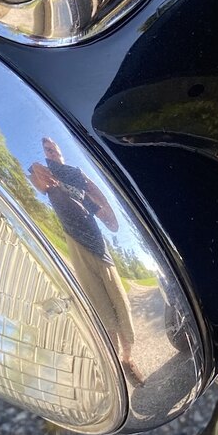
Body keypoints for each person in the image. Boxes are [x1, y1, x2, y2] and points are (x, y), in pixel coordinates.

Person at [28, 139, 138, 377]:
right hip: (75, 245)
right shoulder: (44, 175)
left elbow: (106, 215)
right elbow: (38, 184)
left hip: (99, 246)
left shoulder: (77, 178)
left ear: (62, 155)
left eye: (56, 150)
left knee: (121, 302)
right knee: (102, 308)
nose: (53, 154)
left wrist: (100, 205)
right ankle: (116, 362)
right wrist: (38, 169)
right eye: (48, 150)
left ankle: (128, 357)